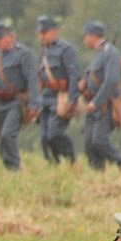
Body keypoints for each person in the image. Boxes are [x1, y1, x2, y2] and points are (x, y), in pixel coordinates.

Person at [0, 21, 42, 171]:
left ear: (11, 37)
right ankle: (8, 167)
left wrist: (34, 104)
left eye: (1, 39)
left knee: (7, 135)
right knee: (1, 138)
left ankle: (15, 168)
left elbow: (32, 80)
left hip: (17, 102)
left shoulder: (24, 54)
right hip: (0, 102)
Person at [78, 20, 121, 171]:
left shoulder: (110, 53)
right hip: (93, 103)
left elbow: (111, 81)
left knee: (99, 140)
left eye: (86, 36)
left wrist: (97, 101)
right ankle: (97, 174)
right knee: (89, 143)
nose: (85, 40)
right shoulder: (99, 53)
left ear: (93, 35)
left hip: (104, 104)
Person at [36, 15, 81, 164]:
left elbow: (74, 75)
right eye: (40, 33)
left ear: (54, 32)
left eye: (44, 33)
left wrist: (72, 99)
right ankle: (53, 164)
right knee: (44, 137)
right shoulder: (44, 52)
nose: (41, 36)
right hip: (45, 98)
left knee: (54, 133)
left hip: (61, 97)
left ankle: (71, 160)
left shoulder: (66, 50)